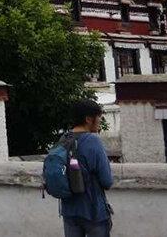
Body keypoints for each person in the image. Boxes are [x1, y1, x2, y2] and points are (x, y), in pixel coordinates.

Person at [61, 99, 114, 237]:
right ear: (88, 119)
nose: (100, 121)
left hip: (69, 210)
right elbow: (107, 181)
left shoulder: (64, 139)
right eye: (98, 117)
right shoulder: (92, 141)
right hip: (93, 211)